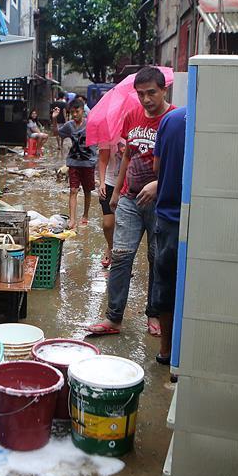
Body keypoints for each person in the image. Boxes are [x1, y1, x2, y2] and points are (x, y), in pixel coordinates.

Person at [88, 67, 177, 337]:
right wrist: (116, 192)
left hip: (161, 203)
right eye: (141, 94)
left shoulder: (175, 119)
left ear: (164, 90)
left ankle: (154, 313)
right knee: (121, 256)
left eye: (152, 93)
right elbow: (127, 155)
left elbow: (183, 162)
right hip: (129, 198)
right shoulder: (132, 116)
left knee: (157, 259)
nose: (147, 99)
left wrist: (159, 183)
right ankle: (113, 319)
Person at [150, 100, 186, 364]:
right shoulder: (222, 125)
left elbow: (156, 168)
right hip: (204, 218)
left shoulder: (172, 120)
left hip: (170, 217)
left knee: (165, 284)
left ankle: (166, 350)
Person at [57, 98, 97, 229]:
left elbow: (101, 136)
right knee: (73, 190)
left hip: (88, 163)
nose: (74, 114)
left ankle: (85, 215)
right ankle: (72, 220)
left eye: (77, 111)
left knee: (87, 190)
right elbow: (58, 133)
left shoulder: (91, 124)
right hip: (73, 162)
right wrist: (54, 119)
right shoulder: (69, 125)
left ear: (83, 111)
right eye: (72, 112)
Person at [97, 139, 125, 268]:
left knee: (125, 225)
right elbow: (103, 160)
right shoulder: (108, 135)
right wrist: (101, 182)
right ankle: (111, 246)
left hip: (128, 184)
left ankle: (122, 261)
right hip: (109, 183)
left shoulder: (134, 132)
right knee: (108, 224)